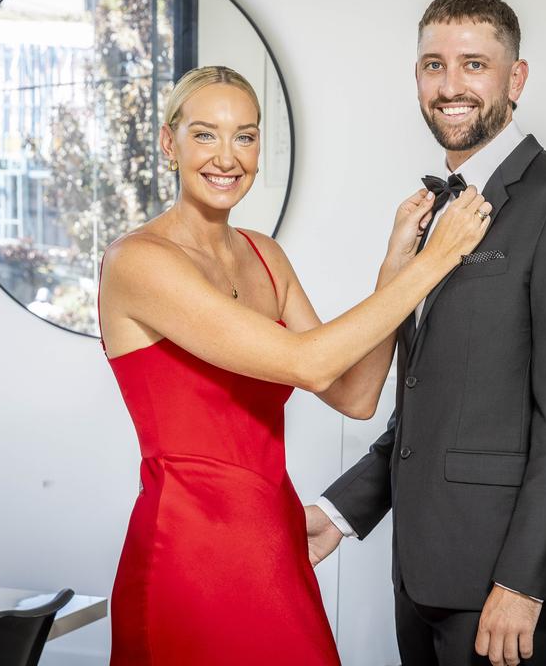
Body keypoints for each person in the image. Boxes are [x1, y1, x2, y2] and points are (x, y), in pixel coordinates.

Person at [96, 65, 492, 664]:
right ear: (167, 142)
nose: (227, 157)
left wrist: (394, 264)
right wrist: (433, 262)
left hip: (273, 539)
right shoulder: (139, 262)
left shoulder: (264, 254)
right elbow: (307, 364)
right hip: (187, 549)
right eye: (205, 134)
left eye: (246, 136)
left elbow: (353, 393)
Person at [306, 0, 546, 666]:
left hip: (499, 581)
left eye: (473, 64)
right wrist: (339, 513)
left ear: (516, 79)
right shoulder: (433, 217)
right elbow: (433, 403)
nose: (449, 86)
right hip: (420, 570)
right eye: (432, 65)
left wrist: (523, 583)